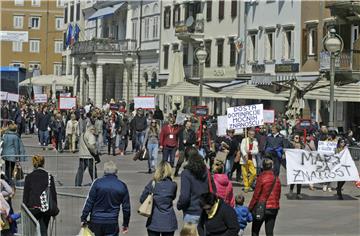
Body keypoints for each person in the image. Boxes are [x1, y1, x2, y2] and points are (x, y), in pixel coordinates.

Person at [81, 161, 130, 235]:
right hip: (112, 220)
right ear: (116, 172)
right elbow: (126, 208)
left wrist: (83, 217)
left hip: (96, 219)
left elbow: (89, 201)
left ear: (104, 172)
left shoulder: (97, 183)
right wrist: (125, 224)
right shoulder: (122, 186)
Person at [23, 155, 58, 236]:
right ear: (43, 163)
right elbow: (53, 194)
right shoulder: (49, 176)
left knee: (31, 231)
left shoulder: (29, 177)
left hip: (32, 208)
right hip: (45, 207)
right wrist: (54, 209)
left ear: (33, 164)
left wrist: (24, 209)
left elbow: (26, 196)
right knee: (43, 230)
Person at [140, 161, 177, 236]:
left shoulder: (153, 184)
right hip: (169, 221)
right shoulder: (173, 185)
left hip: (154, 221)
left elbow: (142, 199)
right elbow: (173, 197)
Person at [177, 154, 214, 224]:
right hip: (205, 211)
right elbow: (213, 190)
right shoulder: (207, 173)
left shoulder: (186, 173)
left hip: (191, 212)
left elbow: (185, 196)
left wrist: (179, 205)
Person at [249, 159, 281, 236]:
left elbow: (256, 195)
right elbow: (278, 194)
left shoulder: (261, 178)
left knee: (255, 230)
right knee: (269, 231)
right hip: (273, 208)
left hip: (261, 207)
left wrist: (250, 207)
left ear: (263, 166)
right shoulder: (277, 179)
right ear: (272, 167)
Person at [289, 134, 305, 199]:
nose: (297, 139)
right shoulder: (291, 144)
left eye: (298, 138)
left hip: (300, 164)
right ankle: (291, 190)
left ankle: (298, 193)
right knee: (293, 178)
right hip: (293, 164)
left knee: (299, 179)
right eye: (296, 137)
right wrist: (294, 143)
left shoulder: (301, 145)